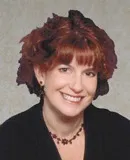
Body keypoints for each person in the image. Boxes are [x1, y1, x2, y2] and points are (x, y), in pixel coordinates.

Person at [0, 10, 130, 160]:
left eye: (89, 73)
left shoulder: (121, 132)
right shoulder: (8, 140)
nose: (77, 86)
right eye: (65, 70)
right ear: (41, 73)